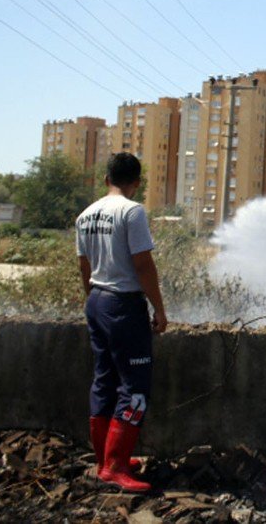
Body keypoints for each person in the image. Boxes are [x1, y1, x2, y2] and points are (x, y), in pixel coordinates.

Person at [76, 153, 167, 492]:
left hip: (97, 300)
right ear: (137, 182)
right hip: (124, 305)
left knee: (104, 379)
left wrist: (92, 299)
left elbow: (85, 267)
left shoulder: (85, 216)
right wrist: (158, 308)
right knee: (135, 386)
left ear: (106, 179)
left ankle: (106, 460)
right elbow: (142, 264)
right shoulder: (132, 211)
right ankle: (114, 468)